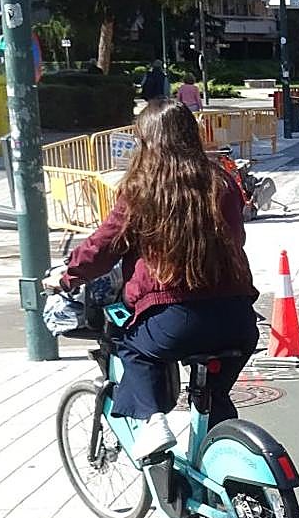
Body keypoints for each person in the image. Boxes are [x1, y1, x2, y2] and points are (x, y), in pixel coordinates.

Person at [43, 100, 259, 460]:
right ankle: (225, 468)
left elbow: (104, 246)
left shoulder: (144, 190)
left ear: (147, 142)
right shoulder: (221, 182)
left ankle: (150, 419)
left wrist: (67, 277)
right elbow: (237, 239)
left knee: (130, 343)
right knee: (213, 398)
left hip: (175, 320)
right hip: (238, 318)